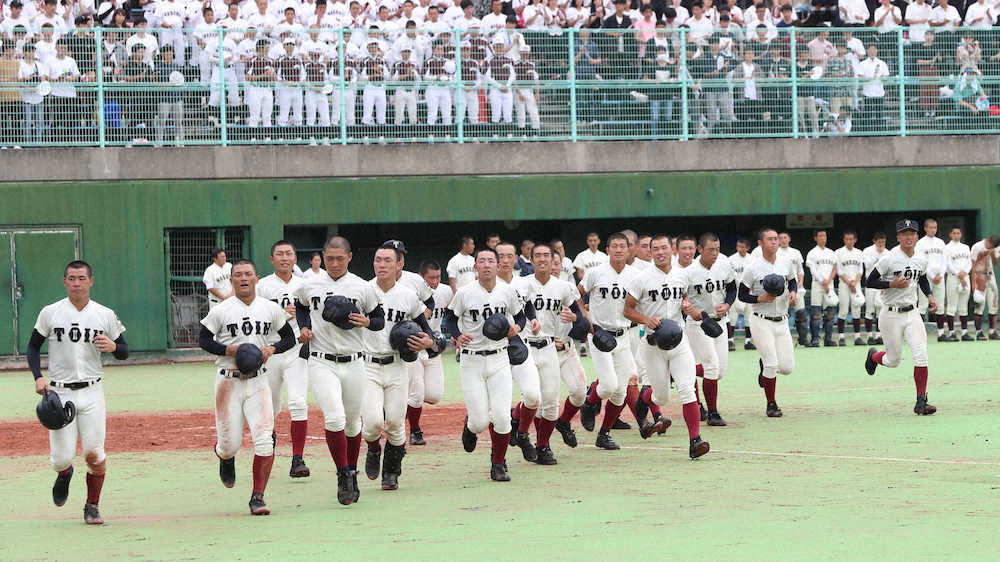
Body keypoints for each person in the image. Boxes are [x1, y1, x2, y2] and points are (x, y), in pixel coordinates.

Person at [27, 260, 129, 525]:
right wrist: (39, 377)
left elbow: (124, 351)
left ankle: (92, 506)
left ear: (91, 281)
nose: (76, 283)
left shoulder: (104, 314)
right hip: (60, 394)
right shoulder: (51, 312)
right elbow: (33, 348)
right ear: (65, 282)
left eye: (81, 278)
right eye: (71, 278)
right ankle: (65, 473)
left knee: (95, 455)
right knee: (60, 459)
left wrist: (113, 347)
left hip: (93, 392)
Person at [293, 236, 386, 506]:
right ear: (322, 256)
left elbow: (378, 320)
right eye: (329, 258)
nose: (334, 263)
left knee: (353, 422)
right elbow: (301, 307)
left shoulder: (362, 286)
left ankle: (352, 470)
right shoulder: (309, 285)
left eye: (340, 258)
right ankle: (343, 473)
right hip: (321, 360)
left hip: (355, 361)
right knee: (334, 418)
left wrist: (367, 321)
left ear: (349, 257)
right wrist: (304, 327)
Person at [199, 259, 295, 516]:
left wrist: (271, 348)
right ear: (231, 280)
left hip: (258, 380)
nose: (243, 278)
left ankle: (258, 497)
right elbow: (204, 339)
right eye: (238, 275)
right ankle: (225, 456)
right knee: (230, 444)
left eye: (248, 274)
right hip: (228, 380)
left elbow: (289, 337)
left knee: (265, 440)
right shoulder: (222, 309)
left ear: (256, 278)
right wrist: (228, 349)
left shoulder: (270, 308)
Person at [622, 234, 711, 458]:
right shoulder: (641, 279)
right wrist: (645, 320)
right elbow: (627, 309)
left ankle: (695, 441)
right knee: (660, 397)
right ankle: (644, 399)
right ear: (650, 252)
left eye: (664, 248)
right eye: (656, 249)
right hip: (653, 344)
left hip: (679, 340)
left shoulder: (682, 276)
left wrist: (687, 306)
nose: (661, 252)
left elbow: (682, 298)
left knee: (687, 389)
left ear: (671, 249)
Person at [444, 247, 527, 482]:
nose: (487, 264)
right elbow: (449, 319)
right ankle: (470, 427)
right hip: (472, 359)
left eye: (492, 260)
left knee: (502, 417)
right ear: (476, 267)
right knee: (480, 420)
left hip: (500, 357)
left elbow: (520, 316)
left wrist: (517, 328)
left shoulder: (507, 291)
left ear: (497, 264)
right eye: (483, 261)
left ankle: (498, 463)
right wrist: (458, 335)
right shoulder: (464, 293)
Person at [363, 242, 440, 491]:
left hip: (397, 366)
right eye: (378, 260)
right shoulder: (362, 292)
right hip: (367, 366)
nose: (382, 264)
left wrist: (427, 342)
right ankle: (374, 449)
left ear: (399, 264)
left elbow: (426, 332)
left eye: (387, 260)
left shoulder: (407, 296)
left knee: (395, 423)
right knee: (373, 423)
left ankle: (391, 471)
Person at [510, 243, 582, 464]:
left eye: (546, 256)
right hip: (526, 347)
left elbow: (579, 317)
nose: (542, 259)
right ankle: (539, 444)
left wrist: (575, 318)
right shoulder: (520, 285)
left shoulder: (563, 287)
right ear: (530, 260)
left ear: (554, 260)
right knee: (534, 399)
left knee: (550, 403)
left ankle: (537, 442)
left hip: (550, 347)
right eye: (537, 255)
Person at [864, 219, 938, 416]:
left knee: (921, 355)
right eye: (904, 233)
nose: (908, 236)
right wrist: (891, 285)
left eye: (912, 233)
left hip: (912, 313)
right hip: (891, 314)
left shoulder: (921, 258)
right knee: (893, 360)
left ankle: (921, 401)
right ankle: (873, 356)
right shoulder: (889, 258)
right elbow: (869, 281)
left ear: (916, 236)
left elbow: (921, 278)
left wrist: (930, 296)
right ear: (897, 237)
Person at [576, 232, 641, 450]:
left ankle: (604, 434)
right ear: (608, 249)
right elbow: (577, 294)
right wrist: (585, 317)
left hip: (623, 335)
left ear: (629, 249)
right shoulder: (595, 272)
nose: (619, 250)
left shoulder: (635, 275)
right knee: (609, 385)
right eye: (615, 246)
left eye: (623, 246)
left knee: (620, 391)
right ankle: (589, 402)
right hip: (599, 335)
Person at [255, 241, 312, 479]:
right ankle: (269, 451)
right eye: (279, 254)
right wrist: (279, 314)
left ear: (295, 257)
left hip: (296, 350)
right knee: (272, 406)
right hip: (270, 351)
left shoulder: (305, 286)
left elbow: (313, 314)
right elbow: (254, 316)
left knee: (298, 403)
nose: (284, 257)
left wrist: (308, 329)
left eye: (289, 253)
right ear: (271, 259)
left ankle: (298, 459)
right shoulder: (263, 286)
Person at [739, 227, 797, 418]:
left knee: (787, 368)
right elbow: (741, 294)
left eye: (776, 239)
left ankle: (764, 368)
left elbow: (793, 280)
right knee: (772, 363)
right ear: (760, 243)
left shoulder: (786, 262)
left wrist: (793, 293)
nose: (774, 242)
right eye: (770, 239)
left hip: (782, 320)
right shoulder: (752, 267)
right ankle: (771, 404)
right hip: (760, 321)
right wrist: (759, 299)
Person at [683, 232, 736, 426]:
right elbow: (681, 296)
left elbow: (732, 288)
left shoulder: (724, 265)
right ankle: (712, 412)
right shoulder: (688, 272)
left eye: (717, 249)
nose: (715, 253)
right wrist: (689, 307)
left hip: (720, 321)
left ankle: (681, 370)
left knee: (719, 371)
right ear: (700, 249)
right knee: (712, 367)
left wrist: (728, 305)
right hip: (698, 323)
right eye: (711, 250)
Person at [407, 259, 453, 444]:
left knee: (433, 396)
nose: (434, 281)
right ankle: (415, 431)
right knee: (416, 395)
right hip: (415, 347)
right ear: (421, 277)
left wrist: (457, 333)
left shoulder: (446, 291)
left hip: (434, 347)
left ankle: (403, 402)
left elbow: (453, 314)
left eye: (437, 277)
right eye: (430, 278)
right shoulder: (411, 294)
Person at [914, 218, 947, 339]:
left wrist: (941, 275)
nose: (933, 230)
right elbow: (921, 261)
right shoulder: (921, 243)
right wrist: (932, 276)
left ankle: (941, 333)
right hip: (926, 277)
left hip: (940, 277)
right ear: (925, 228)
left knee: (940, 305)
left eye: (935, 227)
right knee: (922, 305)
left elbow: (945, 260)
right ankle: (919, 335)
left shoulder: (941, 243)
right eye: (931, 227)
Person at [805, 229, 838, 347]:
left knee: (830, 313)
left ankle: (828, 339)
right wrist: (822, 281)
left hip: (830, 285)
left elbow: (835, 268)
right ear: (815, 238)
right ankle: (815, 339)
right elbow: (812, 269)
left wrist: (828, 281)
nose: (823, 238)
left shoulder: (831, 253)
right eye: (820, 236)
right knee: (816, 314)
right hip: (817, 285)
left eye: (824, 235)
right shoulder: (812, 253)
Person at [834, 230, 865, 346]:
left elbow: (861, 269)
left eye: (851, 239)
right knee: (843, 310)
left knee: (857, 310)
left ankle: (857, 337)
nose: (849, 241)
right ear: (844, 240)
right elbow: (839, 270)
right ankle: (841, 337)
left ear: (855, 240)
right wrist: (849, 283)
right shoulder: (838, 252)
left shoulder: (859, 252)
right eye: (847, 239)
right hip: (844, 284)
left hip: (856, 283)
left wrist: (855, 282)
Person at [944, 227, 972, 341]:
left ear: (961, 234)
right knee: (952, 306)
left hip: (965, 277)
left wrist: (964, 273)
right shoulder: (947, 248)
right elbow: (948, 264)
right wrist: (958, 274)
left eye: (958, 233)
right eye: (954, 233)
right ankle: (951, 333)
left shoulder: (965, 247)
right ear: (950, 234)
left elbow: (969, 262)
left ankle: (964, 332)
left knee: (963, 306)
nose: (956, 235)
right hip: (953, 277)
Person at [152, 45, 184, 147]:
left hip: (176, 98)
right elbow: (156, 83)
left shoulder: (176, 66)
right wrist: (168, 85)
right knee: (161, 122)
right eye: (166, 53)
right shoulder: (158, 67)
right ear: (162, 55)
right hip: (164, 99)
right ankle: (159, 144)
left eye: (170, 53)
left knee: (178, 123)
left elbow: (180, 81)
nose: (169, 55)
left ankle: (180, 143)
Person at [970, 235, 1000, 340]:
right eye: (989, 245)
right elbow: (972, 266)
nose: (989, 247)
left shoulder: (995, 247)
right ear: (987, 240)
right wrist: (973, 284)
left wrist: (992, 253)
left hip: (990, 276)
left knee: (993, 304)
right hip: (979, 276)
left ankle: (992, 331)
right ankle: (979, 332)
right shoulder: (977, 247)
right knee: (979, 305)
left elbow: (996, 263)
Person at [727, 237, 753, 350]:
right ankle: (730, 340)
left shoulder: (752, 259)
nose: (740, 248)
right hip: (736, 290)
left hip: (750, 291)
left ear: (747, 248)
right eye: (738, 246)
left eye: (742, 247)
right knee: (732, 316)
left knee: (749, 316)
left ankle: (748, 341)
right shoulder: (731, 259)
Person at [862, 232, 888, 345]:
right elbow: (867, 265)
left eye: (883, 242)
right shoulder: (867, 251)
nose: (881, 244)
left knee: (880, 310)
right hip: (870, 283)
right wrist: (877, 254)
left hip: (881, 284)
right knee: (870, 310)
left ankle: (879, 335)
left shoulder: (888, 253)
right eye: (879, 242)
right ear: (874, 241)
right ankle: (869, 336)